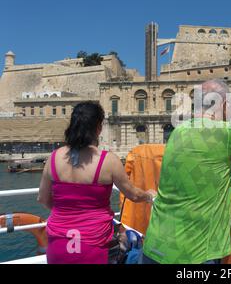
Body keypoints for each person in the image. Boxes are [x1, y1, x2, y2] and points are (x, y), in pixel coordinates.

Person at [142, 79, 231, 264]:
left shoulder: (179, 131)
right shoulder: (227, 132)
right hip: (194, 253)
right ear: (221, 104)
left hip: (156, 244)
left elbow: (212, 150)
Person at [38, 101, 156, 264]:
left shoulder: (54, 157)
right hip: (93, 245)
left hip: (58, 244)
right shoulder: (108, 161)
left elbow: (43, 199)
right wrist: (149, 195)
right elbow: (133, 195)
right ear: (99, 128)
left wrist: (68, 213)